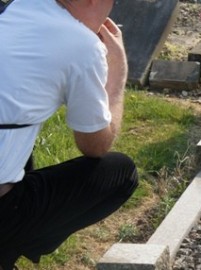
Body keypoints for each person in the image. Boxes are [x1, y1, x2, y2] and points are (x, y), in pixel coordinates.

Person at [0, 0, 138, 268]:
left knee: (20, 145)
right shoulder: (82, 45)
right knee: (121, 172)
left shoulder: (16, 9)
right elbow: (95, 145)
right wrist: (117, 78)